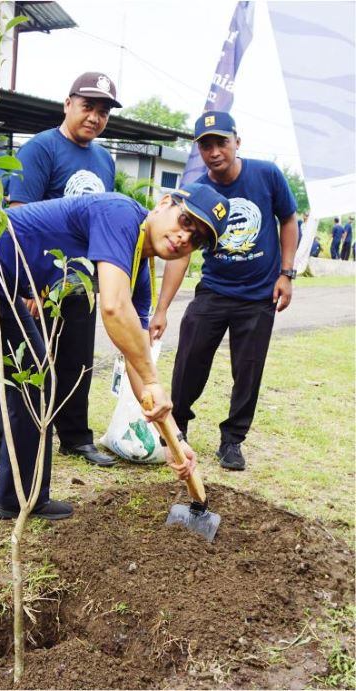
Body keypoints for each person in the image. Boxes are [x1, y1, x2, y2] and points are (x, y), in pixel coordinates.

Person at [0, 182, 229, 592]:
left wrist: (173, 441)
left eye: (196, 239)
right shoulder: (121, 212)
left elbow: (135, 352)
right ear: (165, 203)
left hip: (6, 288)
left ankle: (20, 497)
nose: (185, 237)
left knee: (38, 382)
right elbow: (111, 307)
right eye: (186, 221)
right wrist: (153, 380)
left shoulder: (139, 271)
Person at [150, 111, 298, 472]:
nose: (214, 151)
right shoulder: (200, 190)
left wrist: (287, 273)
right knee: (189, 361)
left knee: (248, 370)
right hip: (214, 290)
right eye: (206, 145)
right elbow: (180, 253)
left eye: (221, 142)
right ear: (198, 149)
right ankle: (177, 428)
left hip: (259, 295)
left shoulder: (266, 174)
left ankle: (232, 441)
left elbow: (289, 219)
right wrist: (162, 309)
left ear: (237, 141)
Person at [0, 71, 122, 468]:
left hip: (81, 280)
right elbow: (20, 218)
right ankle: (11, 437)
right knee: (28, 360)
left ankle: (74, 437)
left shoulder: (105, 159)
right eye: (88, 106)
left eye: (103, 111)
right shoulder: (40, 149)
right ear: (67, 103)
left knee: (77, 361)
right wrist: (29, 284)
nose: (95, 117)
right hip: (42, 280)